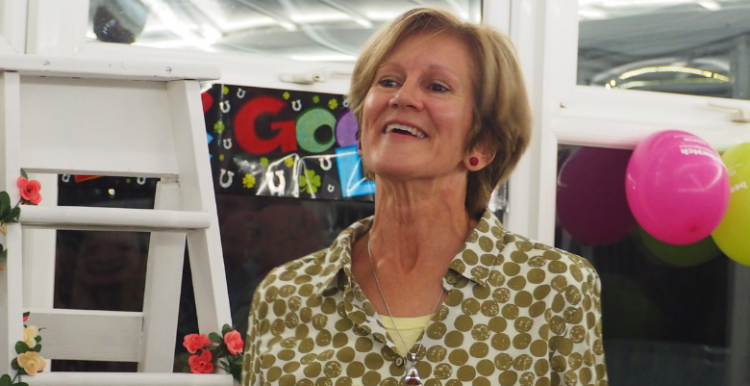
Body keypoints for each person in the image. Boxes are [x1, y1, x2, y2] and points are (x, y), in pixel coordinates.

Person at [242, 7, 607, 386]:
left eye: (437, 86)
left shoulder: (552, 286)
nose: (402, 97)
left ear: (481, 144)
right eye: (387, 81)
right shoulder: (284, 295)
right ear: (362, 130)